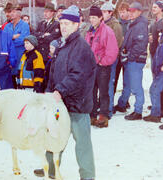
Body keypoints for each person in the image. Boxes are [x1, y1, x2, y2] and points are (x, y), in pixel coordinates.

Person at [34, 5, 96, 180]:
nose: (64, 26)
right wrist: (49, 91)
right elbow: (53, 73)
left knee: (82, 143)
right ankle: (50, 169)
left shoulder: (81, 47)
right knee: (54, 138)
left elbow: (77, 75)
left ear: (77, 25)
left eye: (68, 23)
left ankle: (88, 175)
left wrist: (60, 90)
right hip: (60, 103)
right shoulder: (62, 45)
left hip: (78, 105)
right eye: (61, 23)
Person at [115, 2, 149, 120]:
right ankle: (122, 104)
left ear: (140, 12)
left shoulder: (140, 25)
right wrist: (124, 51)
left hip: (136, 60)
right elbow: (128, 41)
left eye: (134, 11)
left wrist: (129, 56)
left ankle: (138, 111)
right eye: (130, 10)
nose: (131, 13)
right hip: (131, 59)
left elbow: (140, 45)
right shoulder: (133, 23)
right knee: (128, 84)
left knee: (136, 86)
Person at [85, 5, 118, 127]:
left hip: (102, 67)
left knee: (103, 92)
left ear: (100, 18)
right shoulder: (90, 31)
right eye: (90, 17)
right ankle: (92, 115)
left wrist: (102, 62)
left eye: (94, 17)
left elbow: (112, 51)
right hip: (91, 67)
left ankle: (103, 116)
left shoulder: (107, 31)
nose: (92, 20)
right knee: (91, 92)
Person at [100, 2, 123, 119]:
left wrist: (109, 56)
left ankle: (108, 109)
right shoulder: (102, 24)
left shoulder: (116, 25)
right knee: (102, 83)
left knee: (109, 83)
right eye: (102, 12)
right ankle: (103, 106)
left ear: (110, 13)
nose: (103, 14)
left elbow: (117, 44)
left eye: (105, 12)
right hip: (101, 59)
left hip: (111, 59)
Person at [148, 1, 163, 117]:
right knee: (155, 79)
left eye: (155, 7)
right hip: (153, 53)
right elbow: (152, 34)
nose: (153, 9)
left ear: (161, 9)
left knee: (161, 81)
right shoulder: (153, 22)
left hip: (160, 55)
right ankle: (157, 104)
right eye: (152, 7)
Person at [4, 4, 30, 87]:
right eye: (11, 12)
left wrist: (10, 39)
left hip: (20, 56)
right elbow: (4, 40)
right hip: (9, 59)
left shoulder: (24, 25)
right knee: (10, 84)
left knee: (20, 82)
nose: (12, 13)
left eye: (14, 12)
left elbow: (23, 40)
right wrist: (14, 37)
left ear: (19, 13)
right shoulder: (7, 26)